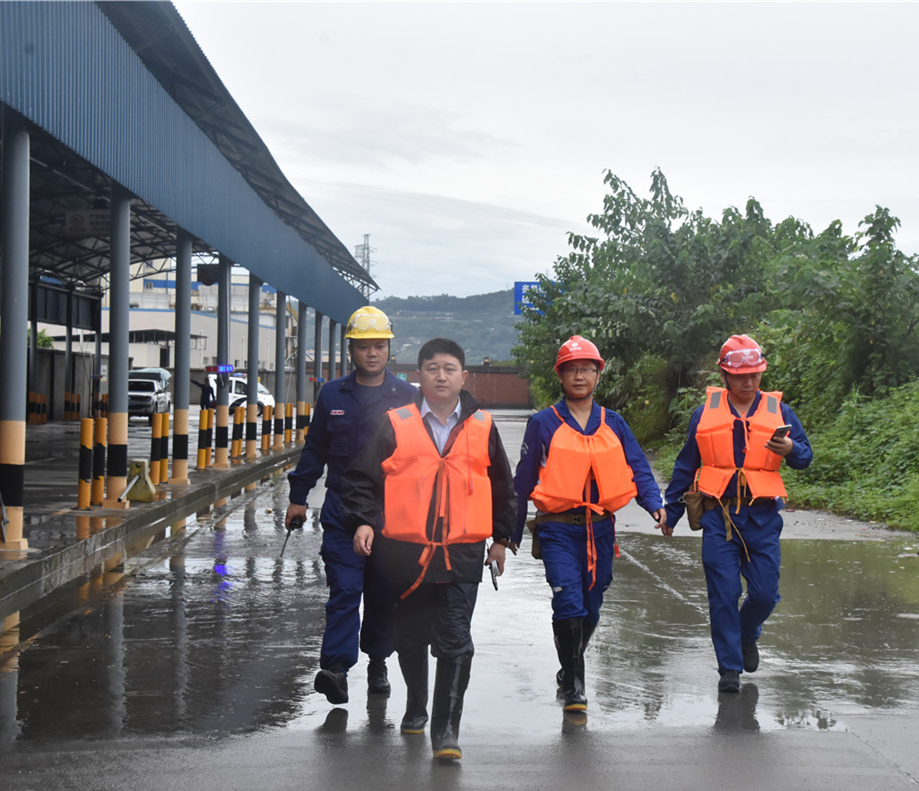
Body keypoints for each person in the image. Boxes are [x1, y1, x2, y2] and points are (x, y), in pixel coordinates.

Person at [341, 337, 516, 761]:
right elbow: (361, 479)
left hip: (462, 555)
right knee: (411, 637)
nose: (441, 376)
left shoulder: (483, 427)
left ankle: (446, 731)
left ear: (463, 376)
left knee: (456, 639)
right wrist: (364, 521)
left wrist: (502, 539)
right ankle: (416, 704)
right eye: (433, 368)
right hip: (405, 555)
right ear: (418, 375)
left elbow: (503, 488)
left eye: (450, 368)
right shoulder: (395, 423)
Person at [513, 335, 665, 715]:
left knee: (591, 607)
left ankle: (568, 664)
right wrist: (509, 533)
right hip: (556, 528)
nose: (579, 376)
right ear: (560, 376)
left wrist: (654, 505)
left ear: (598, 374)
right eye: (571, 370)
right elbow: (522, 481)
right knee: (568, 603)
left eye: (586, 369)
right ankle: (576, 685)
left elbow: (638, 468)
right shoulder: (543, 424)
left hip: (599, 530)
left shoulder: (614, 422)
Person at [657, 334, 813, 693]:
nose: (749, 381)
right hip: (718, 518)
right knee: (724, 594)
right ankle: (729, 667)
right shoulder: (705, 414)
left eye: (755, 374)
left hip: (762, 518)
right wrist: (671, 512)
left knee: (764, 595)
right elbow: (685, 467)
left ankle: (746, 635)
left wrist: (790, 447)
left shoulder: (780, 413)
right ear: (724, 375)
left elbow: (805, 458)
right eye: (741, 375)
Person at [285, 306, 416, 705]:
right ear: (351, 351)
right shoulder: (332, 395)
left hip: (391, 519)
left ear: (389, 349)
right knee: (344, 590)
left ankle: (378, 660)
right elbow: (315, 451)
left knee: (382, 595)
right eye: (363, 347)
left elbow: (421, 458)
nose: (372, 353)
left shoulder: (408, 397)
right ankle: (336, 670)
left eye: (379, 346)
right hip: (342, 514)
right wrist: (297, 497)